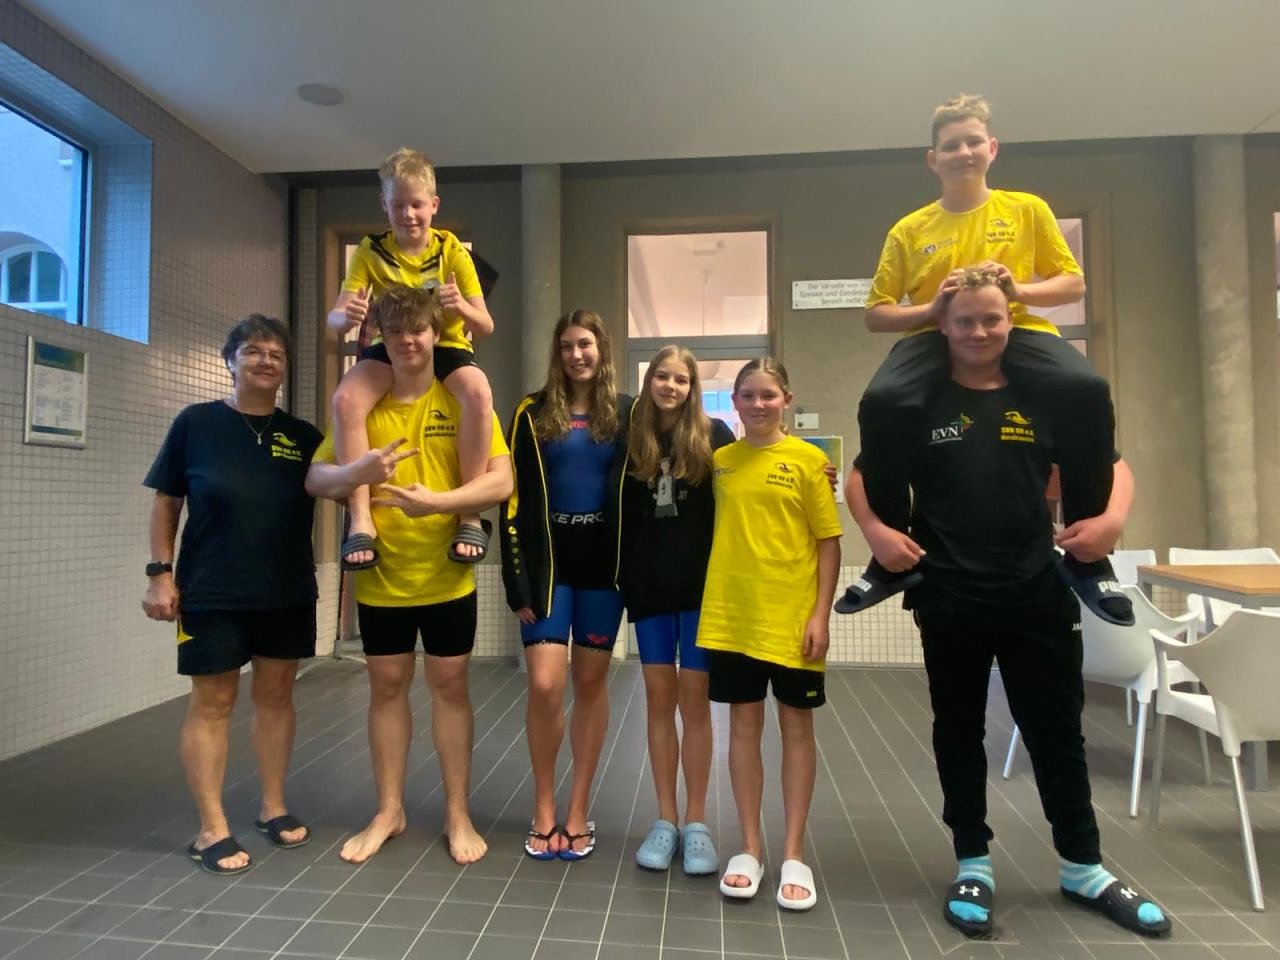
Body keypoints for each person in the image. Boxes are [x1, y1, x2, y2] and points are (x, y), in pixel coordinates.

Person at [845, 267, 1168, 939]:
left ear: (1010, 321)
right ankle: (973, 861)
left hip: (1036, 590)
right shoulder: (919, 401)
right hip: (950, 592)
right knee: (958, 730)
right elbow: (862, 473)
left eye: (991, 319)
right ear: (943, 326)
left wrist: (1110, 522)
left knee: (1057, 731)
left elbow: (1111, 462)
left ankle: (1083, 867)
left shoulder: (1045, 395)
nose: (979, 331)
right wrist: (876, 532)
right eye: (965, 320)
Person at [840, 93, 1131, 626]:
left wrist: (1019, 290)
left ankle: (1089, 557)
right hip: (934, 333)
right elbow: (876, 314)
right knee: (882, 400)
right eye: (951, 146)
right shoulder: (910, 229)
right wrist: (932, 307)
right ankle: (891, 557)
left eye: (973, 142)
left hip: (1015, 328)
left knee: (1087, 389)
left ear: (992, 148)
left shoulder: (1026, 209)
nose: (964, 153)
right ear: (933, 159)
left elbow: (1073, 283)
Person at [306, 285, 512, 867]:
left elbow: (502, 481)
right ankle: (389, 810)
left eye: (417, 330)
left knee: (450, 689)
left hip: (447, 573)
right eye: (394, 332)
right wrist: (358, 471)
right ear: (381, 338)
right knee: (387, 688)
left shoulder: (463, 399)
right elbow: (315, 480)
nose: (407, 341)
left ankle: (457, 813)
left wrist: (441, 505)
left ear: (435, 334)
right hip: (380, 574)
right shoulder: (361, 408)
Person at [142, 315, 322, 875]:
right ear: (230, 360)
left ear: (286, 368)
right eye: (253, 351)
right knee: (213, 701)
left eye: (276, 354)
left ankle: (273, 806)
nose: (266, 361)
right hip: (212, 588)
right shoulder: (196, 424)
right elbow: (167, 502)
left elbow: (344, 484)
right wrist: (160, 573)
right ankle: (211, 827)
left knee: (276, 697)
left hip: (286, 588)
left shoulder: (304, 437)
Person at [697, 358, 842, 911]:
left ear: (786, 400)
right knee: (742, 729)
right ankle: (750, 848)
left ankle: (794, 852)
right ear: (734, 402)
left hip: (791, 620)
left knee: (796, 729)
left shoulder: (810, 461)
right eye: (748, 395)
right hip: (733, 617)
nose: (758, 404)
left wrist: (820, 615)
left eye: (768, 395)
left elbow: (828, 542)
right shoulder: (721, 462)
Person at [499, 310, 634, 861]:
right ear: (557, 354)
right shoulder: (531, 412)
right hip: (549, 569)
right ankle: (543, 808)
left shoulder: (627, 412)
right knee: (546, 684)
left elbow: (689, 447)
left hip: (602, 569)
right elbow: (511, 494)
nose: (577, 355)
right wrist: (517, 579)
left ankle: (577, 810)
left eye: (586, 344)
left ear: (601, 349)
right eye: (567, 346)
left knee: (591, 683)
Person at [327, 147, 495, 572]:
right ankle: (360, 518)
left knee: (478, 393)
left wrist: (462, 307)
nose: (408, 214)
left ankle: (469, 514)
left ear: (434, 205)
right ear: (384, 204)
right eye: (398, 204)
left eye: (417, 204)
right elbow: (334, 320)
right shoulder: (370, 250)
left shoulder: (452, 250)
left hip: (445, 344)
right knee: (345, 400)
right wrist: (345, 316)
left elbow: (485, 325)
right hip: (391, 346)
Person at [617, 345, 735, 876]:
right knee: (659, 702)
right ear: (649, 383)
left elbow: (754, 474)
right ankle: (665, 819)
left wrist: (811, 470)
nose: (670, 386)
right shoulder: (632, 439)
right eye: (661, 376)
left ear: (692, 387)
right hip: (649, 592)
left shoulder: (716, 436)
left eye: (680, 379)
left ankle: (697, 821)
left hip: (701, 593)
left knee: (696, 705)